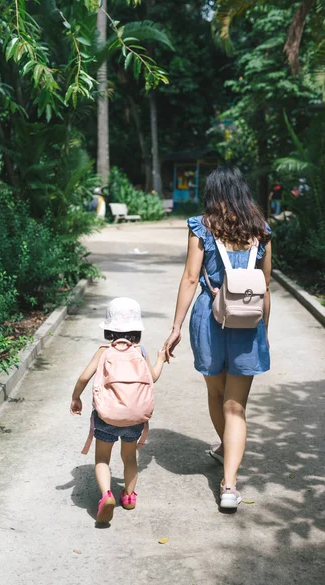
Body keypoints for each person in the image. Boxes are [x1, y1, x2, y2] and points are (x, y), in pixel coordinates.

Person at [163, 165, 272, 509]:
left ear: (212, 193)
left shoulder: (202, 227)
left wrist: (176, 327)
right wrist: (262, 331)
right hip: (247, 323)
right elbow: (265, 286)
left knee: (215, 392)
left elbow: (190, 279)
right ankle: (229, 486)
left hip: (209, 319)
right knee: (235, 407)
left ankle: (226, 448)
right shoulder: (261, 231)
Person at [70, 297, 166, 523]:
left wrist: (76, 398)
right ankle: (129, 496)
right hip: (135, 418)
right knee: (130, 458)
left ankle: (106, 495)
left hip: (107, 416)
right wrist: (161, 358)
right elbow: (152, 377)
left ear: (109, 329)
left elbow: (84, 377)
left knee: (102, 458)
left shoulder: (103, 351)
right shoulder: (141, 352)